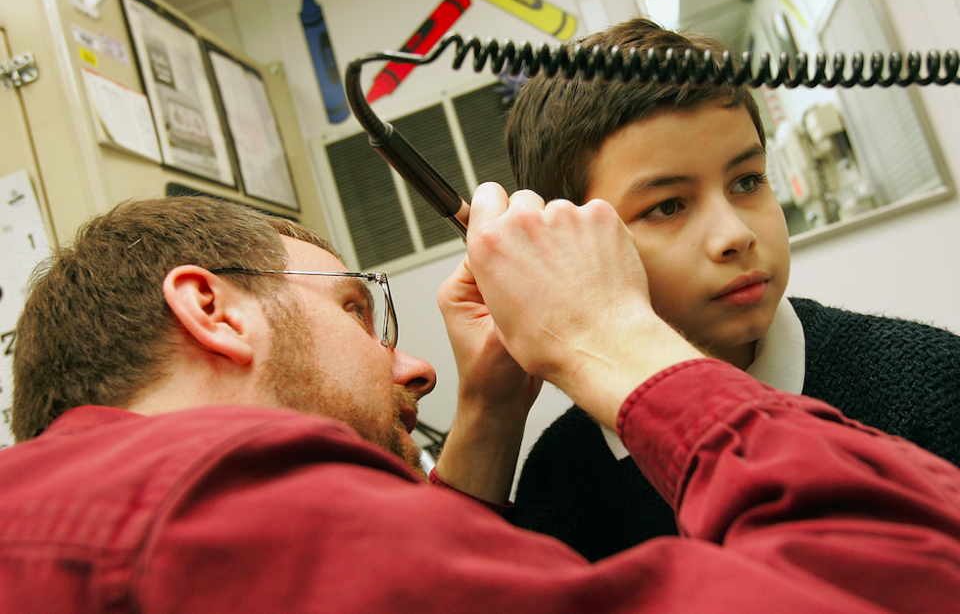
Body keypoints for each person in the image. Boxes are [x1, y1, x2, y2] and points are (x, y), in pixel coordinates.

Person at [2, 191, 960, 614]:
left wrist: (491, 410)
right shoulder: (203, 505)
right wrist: (610, 338)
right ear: (210, 309)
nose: (415, 367)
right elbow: (894, 590)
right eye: (356, 310)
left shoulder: (75, 520)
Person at [438, 16, 960, 562]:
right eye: (667, 206)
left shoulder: (928, 377)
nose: (735, 234)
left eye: (747, 182)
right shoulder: (560, 479)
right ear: (570, 248)